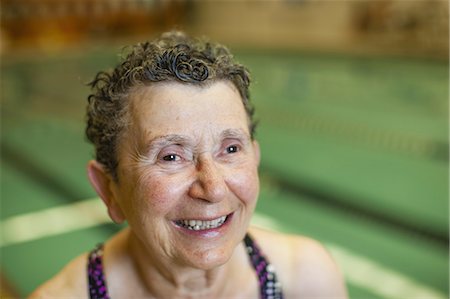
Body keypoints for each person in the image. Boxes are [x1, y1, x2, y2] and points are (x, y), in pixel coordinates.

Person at [30, 31, 347, 299]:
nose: (213, 187)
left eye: (231, 149)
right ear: (109, 189)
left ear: (255, 158)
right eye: (170, 156)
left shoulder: (307, 280)